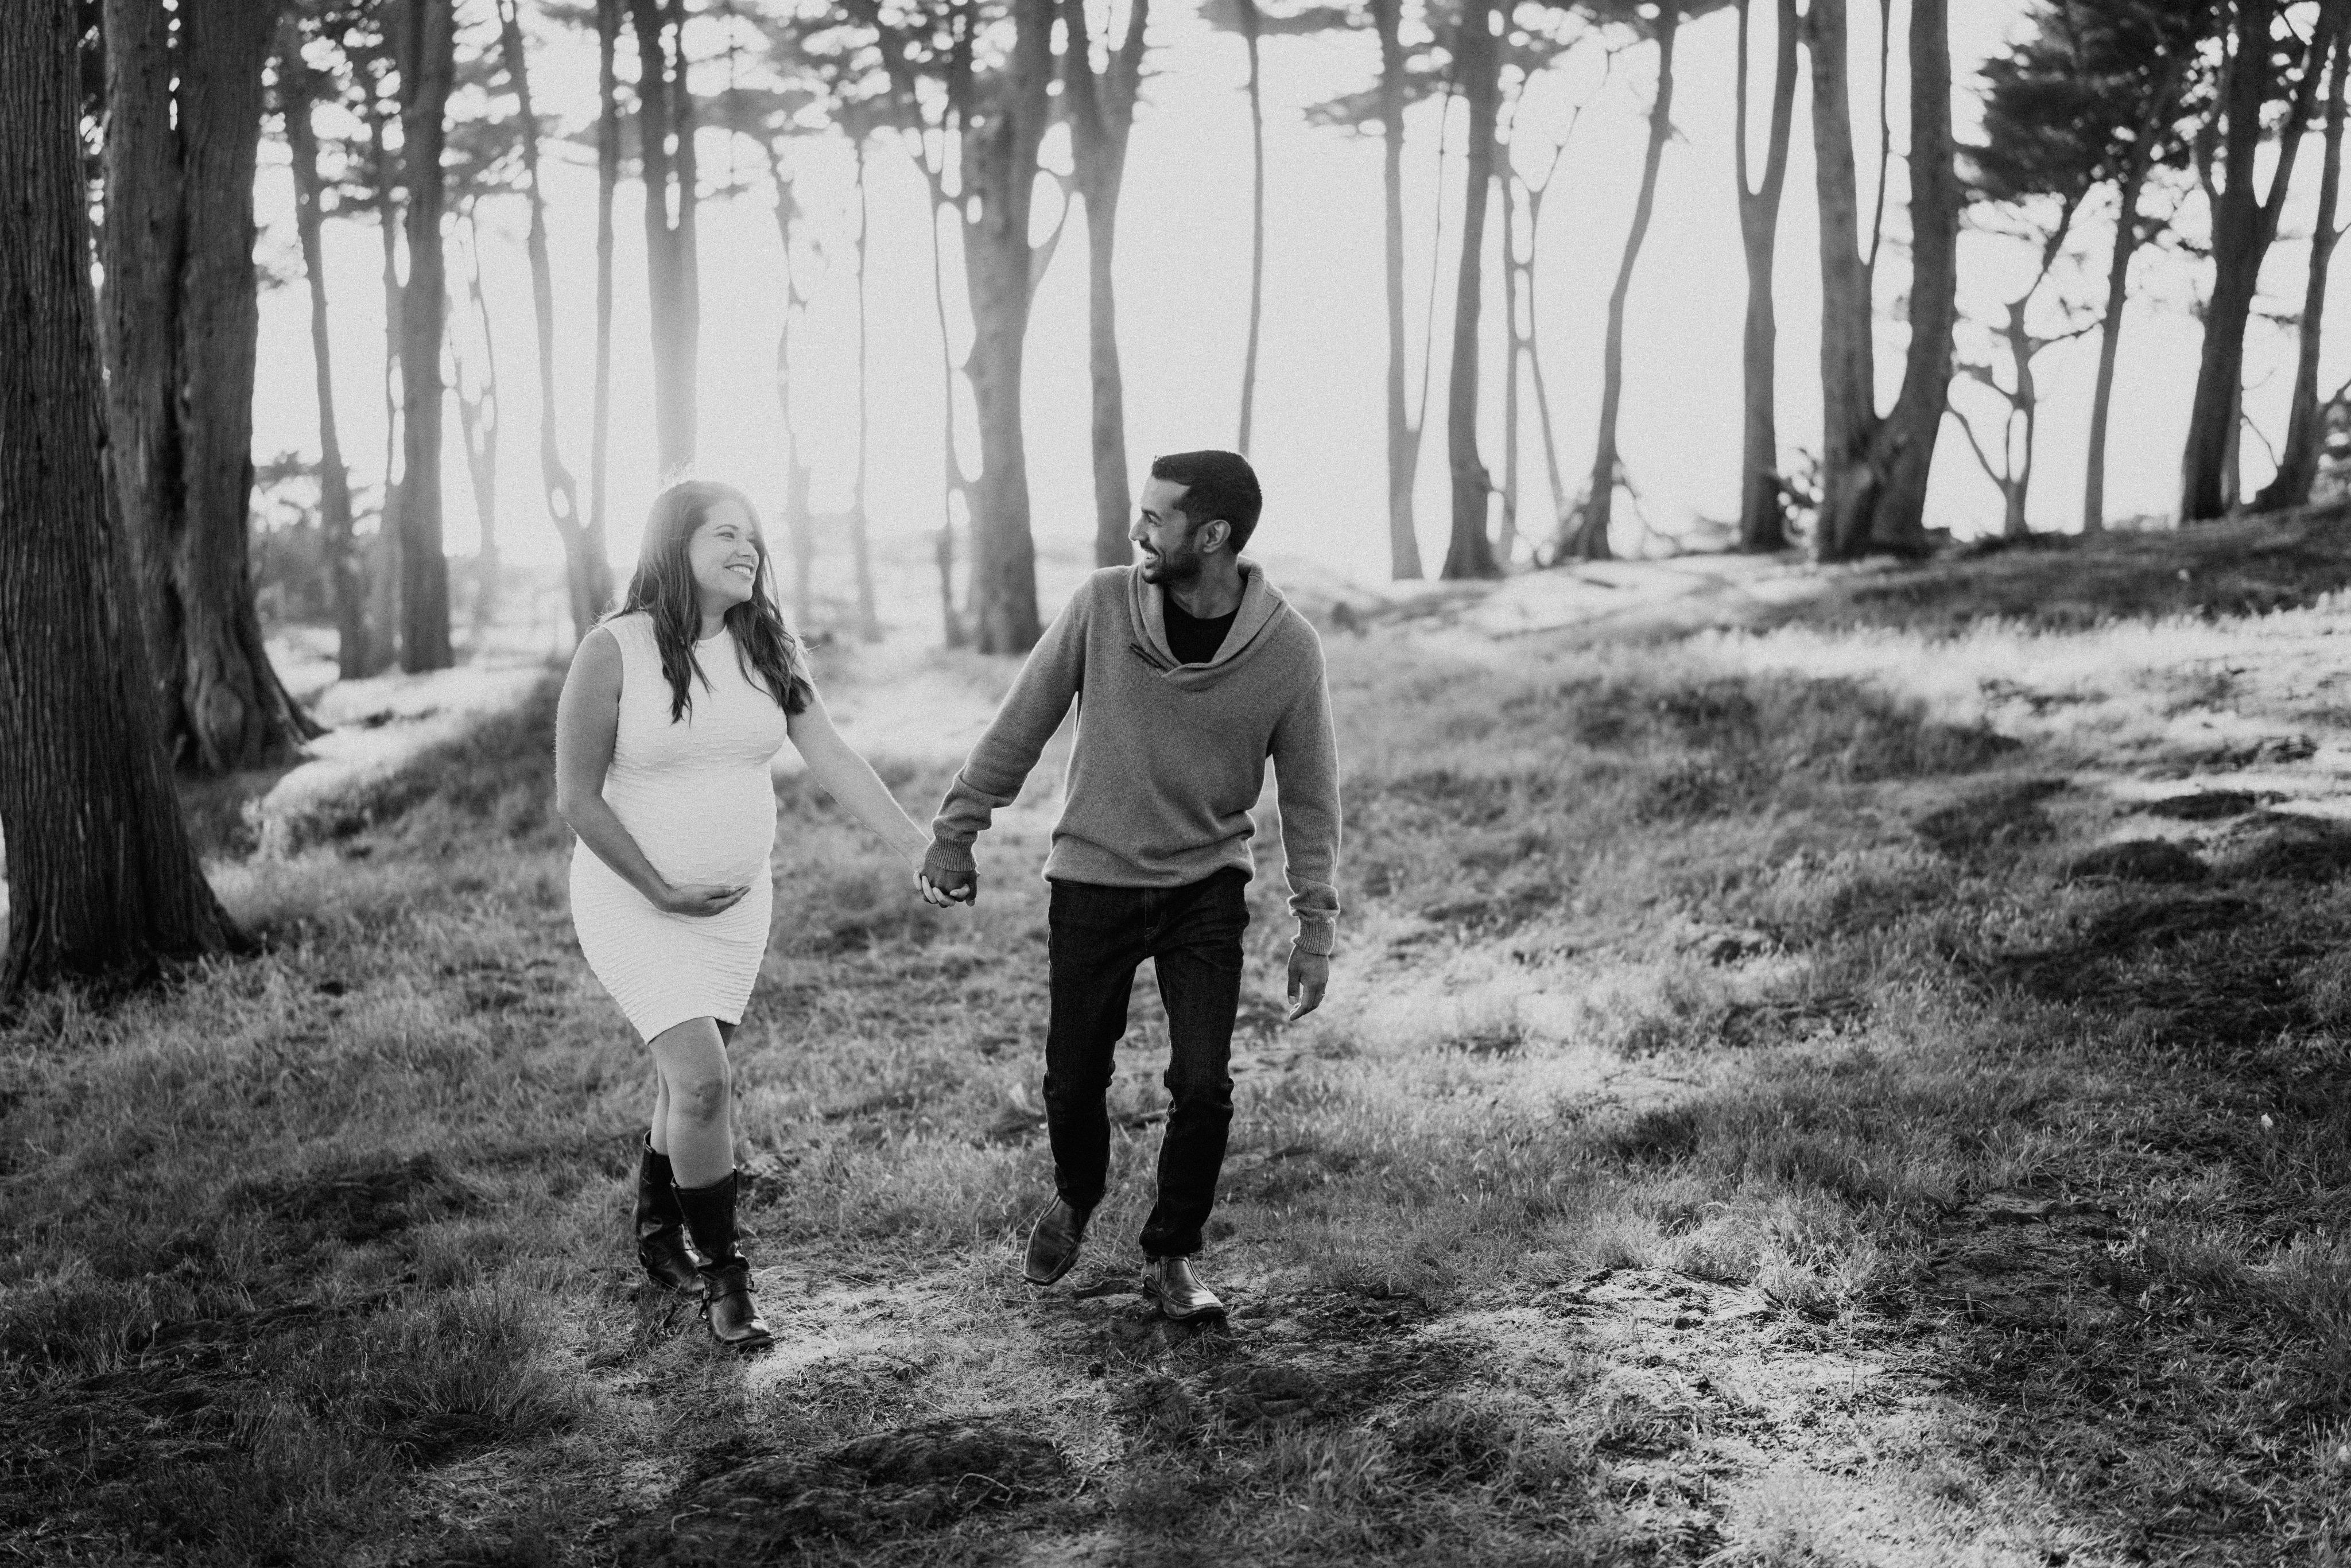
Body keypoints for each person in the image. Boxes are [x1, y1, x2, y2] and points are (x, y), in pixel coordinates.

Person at [921, 451, 1341, 1324]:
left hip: (1205, 887)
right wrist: (957, 829)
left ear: (1213, 535)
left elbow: (1310, 795)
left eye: (1156, 517)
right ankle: (1078, 1195)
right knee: (1074, 1077)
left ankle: (1172, 1255)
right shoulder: (1101, 606)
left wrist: (1315, 928)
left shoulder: (1288, 649)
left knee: (1204, 1083)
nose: (1136, 530)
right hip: (1094, 878)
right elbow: (1022, 723)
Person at [556, 479, 953, 1352]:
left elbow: (832, 756)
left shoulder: (769, 645)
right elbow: (577, 798)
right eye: (726, 535)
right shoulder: (613, 650)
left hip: (736, 908)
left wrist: (916, 848)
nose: (749, 550)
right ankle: (725, 1276)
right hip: (632, 900)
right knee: (704, 1083)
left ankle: (658, 1228)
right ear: (676, 547)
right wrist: (660, 889)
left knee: (688, 1083)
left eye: (754, 537)